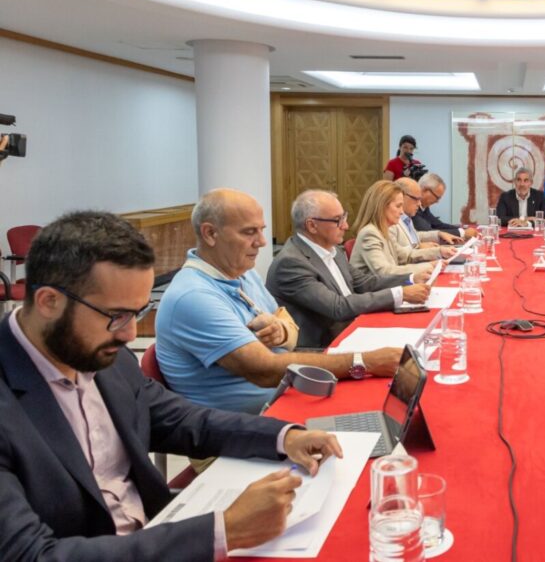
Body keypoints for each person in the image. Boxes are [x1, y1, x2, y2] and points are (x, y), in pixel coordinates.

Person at [0, 210, 343, 559]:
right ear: (48, 302)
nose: (130, 335)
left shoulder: (106, 357)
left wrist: (283, 436)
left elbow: (183, 420)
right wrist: (223, 530)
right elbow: (29, 555)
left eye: (139, 312)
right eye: (115, 316)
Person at [156, 189, 401, 414]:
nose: (263, 242)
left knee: (389, 401)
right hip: (245, 425)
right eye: (249, 232)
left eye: (261, 230)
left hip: (284, 396)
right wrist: (363, 361)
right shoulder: (194, 296)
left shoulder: (244, 273)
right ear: (210, 233)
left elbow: (287, 323)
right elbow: (264, 370)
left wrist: (282, 331)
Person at [266, 189, 431, 349]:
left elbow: (364, 282)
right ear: (312, 226)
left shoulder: (332, 249)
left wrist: (410, 278)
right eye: (338, 220)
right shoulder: (291, 263)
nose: (346, 226)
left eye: (344, 217)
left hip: (352, 328)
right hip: (323, 348)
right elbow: (338, 307)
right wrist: (400, 294)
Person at [350, 180, 438, 279]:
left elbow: (405, 256)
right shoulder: (369, 233)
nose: (401, 212)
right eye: (398, 206)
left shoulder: (384, 229)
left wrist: (438, 253)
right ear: (382, 206)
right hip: (376, 292)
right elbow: (385, 272)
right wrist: (428, 266)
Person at [392, 178, 461, 254]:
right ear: (401, 196)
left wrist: (439, 234)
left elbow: (415, 235)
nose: (419, 204)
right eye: (416, 199)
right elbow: (398, 255)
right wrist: (419, 247)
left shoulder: (406, 218)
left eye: (419, 199)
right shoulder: (391, 222)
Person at [413, 172, 477, 239]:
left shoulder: (424, 206)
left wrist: (462, 230)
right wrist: (462, 233)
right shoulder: (412, 206)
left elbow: (438, 225)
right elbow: (428, 232)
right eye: (437, 197)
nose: (437, 201)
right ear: (424, 190)